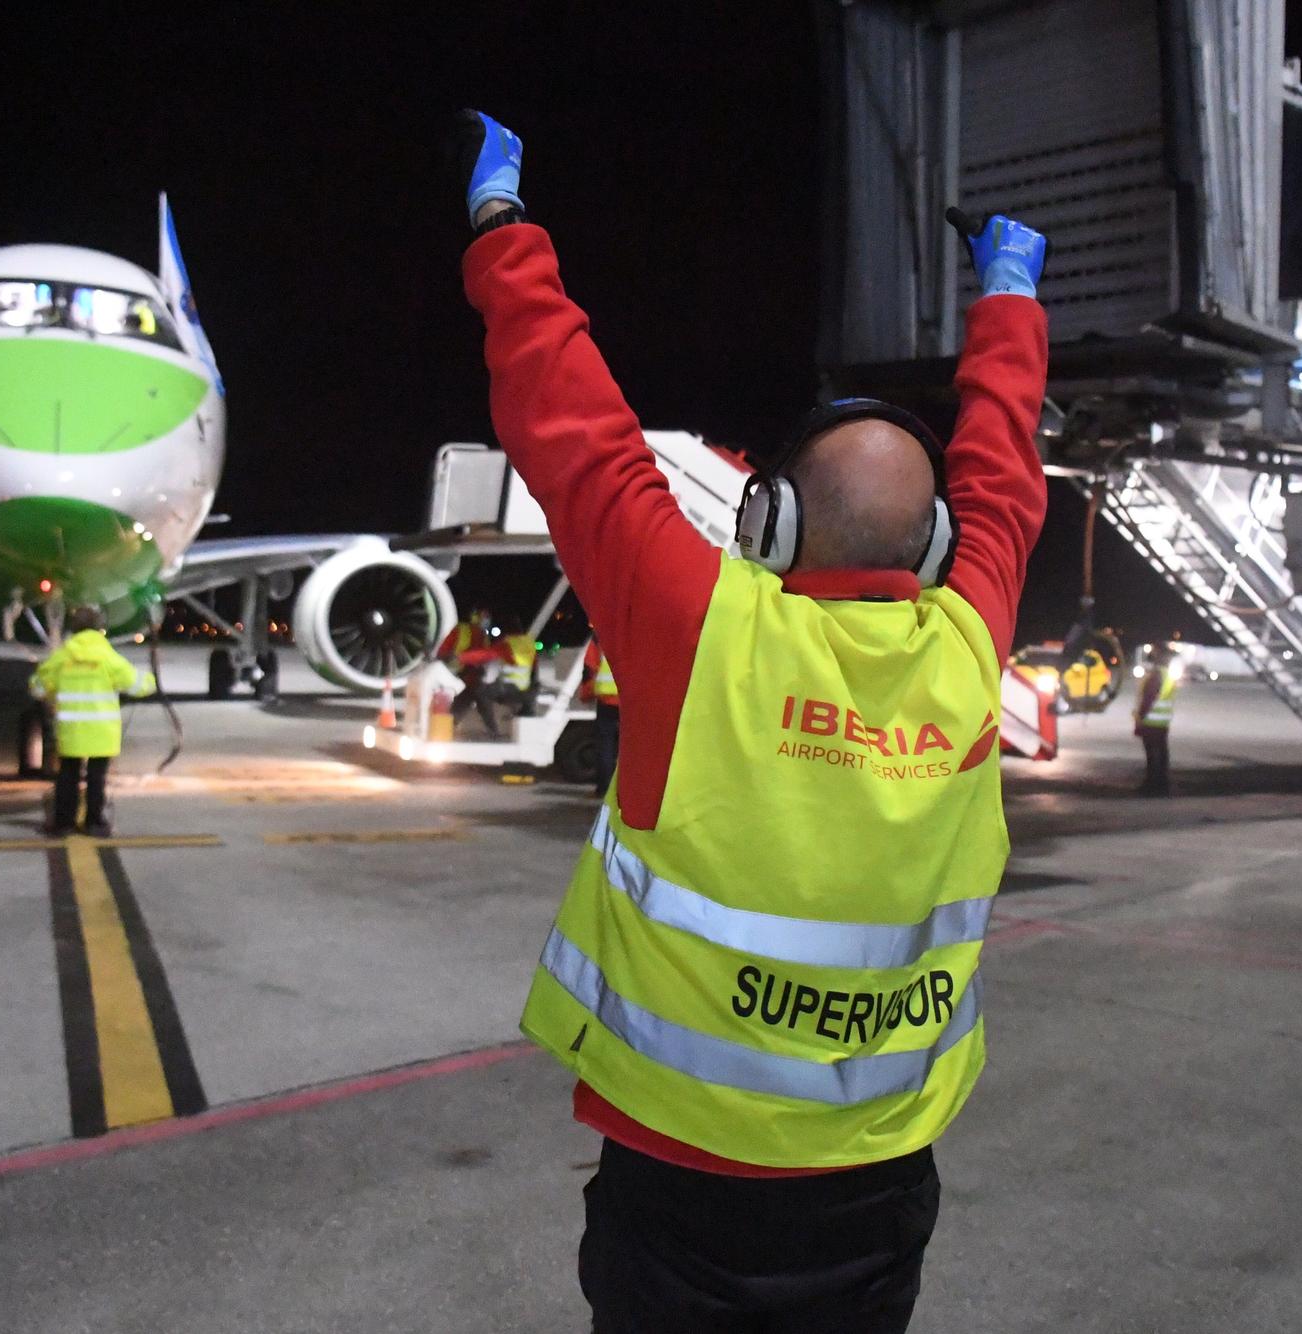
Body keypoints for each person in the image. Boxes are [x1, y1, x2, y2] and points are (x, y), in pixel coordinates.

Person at [455, 110, 1048, 1332]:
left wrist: (502, 226)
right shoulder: (965, 642)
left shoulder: (704, 628)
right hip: (876, 1181)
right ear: (933, 547)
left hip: (683, 1185)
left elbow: (566, 420)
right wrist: (1008, 302)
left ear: (766, 520)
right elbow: (1003, 472)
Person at [29, 606, 156, 835]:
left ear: (73, 629)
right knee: (97, 778)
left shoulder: (63, 656)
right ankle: (94, 822)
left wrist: (48, 691)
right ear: (99, 629)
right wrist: (151, 680)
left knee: (67, 776)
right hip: (101, 732)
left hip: (72, 730)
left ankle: (63, 823)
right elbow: (136, 684)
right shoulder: (106, 656)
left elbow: (37, 687)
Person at [450, 614, 536, 738]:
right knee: (475, 688)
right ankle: (454, 719)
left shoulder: (509, 644)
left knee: (479, 691)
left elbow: (486, 654)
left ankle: (493, 730)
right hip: (524, 688)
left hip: (511, 689)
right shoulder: (528, 642)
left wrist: (459, 657)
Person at [1132, 643, 1179, 796]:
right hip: (1163, 722)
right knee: (1162, 752)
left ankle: (1151, 784)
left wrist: (1140, 718)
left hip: (1151, 722)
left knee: (1152, 755)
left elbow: (1149, 698)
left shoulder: (1156, 676)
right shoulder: (1169, 676)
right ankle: (1162, 783)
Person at [578, 634, 620, 797]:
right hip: (632, 700)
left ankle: (603, 789)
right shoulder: (639, 630)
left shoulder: (601, 634)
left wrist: (586, 694)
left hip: (606, 699)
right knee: (632, 748)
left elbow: (589, 667)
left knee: (605, 746)